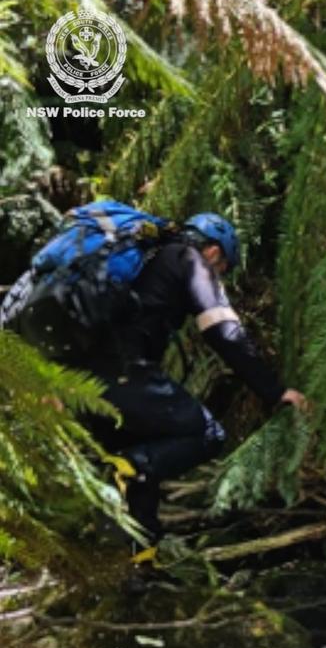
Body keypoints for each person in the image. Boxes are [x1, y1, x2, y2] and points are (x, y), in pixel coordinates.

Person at [8, 211, 307, 546]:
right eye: (223, 268)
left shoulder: (137, 260)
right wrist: (275, 392)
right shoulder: (188, 259)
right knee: (204, 434)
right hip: (121, 372)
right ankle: (127, 497)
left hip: (77, 379)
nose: (219, 275)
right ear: (212, 251)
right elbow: (224, 332)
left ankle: (135, 564)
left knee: (129, 459)